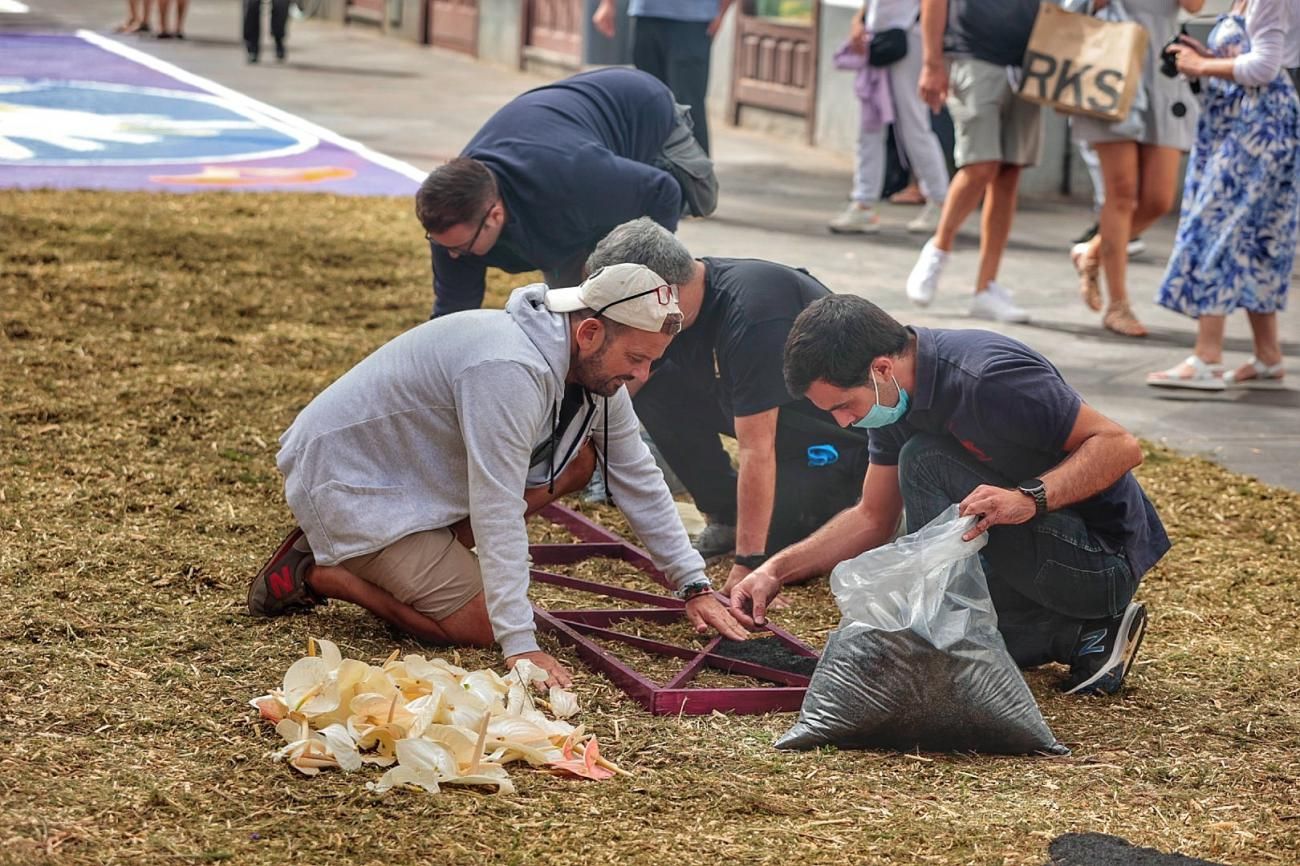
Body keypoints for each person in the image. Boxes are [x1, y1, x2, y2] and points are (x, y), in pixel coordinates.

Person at [246, 264, 748, 687]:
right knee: (484, 623)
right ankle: (319, 572)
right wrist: (519, 643)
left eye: (649, 362)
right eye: (635, 359)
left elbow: (637, 475)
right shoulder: (509, 368)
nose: (640, 376)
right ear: (590, 332)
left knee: (581, 463)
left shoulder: (592, 370)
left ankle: (401, 549)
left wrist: (693, 584)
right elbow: (497, 504)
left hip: (410, 477)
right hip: (353, 485)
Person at [730, 295, 1171, 696]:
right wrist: (774, 570)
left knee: (923, 460)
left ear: (881, 369)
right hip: (1036, 555)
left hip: (1099, 560)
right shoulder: (894, 405)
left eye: (844, 406)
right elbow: (872, 516)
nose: (844, 423)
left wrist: (1028, 498)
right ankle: (1078, 636)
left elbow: (1120, 445)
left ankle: (1076, 615)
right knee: (924, 645)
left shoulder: (989, 376)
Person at [585, 219, 872, 589]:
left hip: (836, 433)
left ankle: (781, 525)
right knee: (655, 388)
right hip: (763, 416)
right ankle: (725, 513)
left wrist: (749, 561)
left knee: (793, 536)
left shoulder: (754, 315)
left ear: (659, 291)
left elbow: (756, 448)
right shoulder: (678, 307)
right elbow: (622, 390)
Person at [416, 68, 718, 318]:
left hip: (640, 109)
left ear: (494, 215)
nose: (453, 255)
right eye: (446, 247)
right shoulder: (451, 224)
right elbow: (453, 311)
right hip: (561, 172)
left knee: (698, 201)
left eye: (462, 247)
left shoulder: (571, 177)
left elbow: (663, 192)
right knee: (576, 314)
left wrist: (647, 283)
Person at [1147, 0, 1297, 390]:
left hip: (1257, 127)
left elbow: (1264, 67)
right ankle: (1267, 356)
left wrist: (1201, 66)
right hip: (1237, 124)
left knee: (1214, 231)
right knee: (1255, 239)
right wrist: (1206, 57)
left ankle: (1208, 358)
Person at [1067, 0, 1204, 339]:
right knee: (1122, 194)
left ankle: (1093, 251)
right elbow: (1075, 7)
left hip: (1163, 73)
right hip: (1109, 68)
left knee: (1158, 199)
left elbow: (1195, 5)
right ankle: (1118, 305)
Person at [904, 0, 1043, 323]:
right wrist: (932, 62)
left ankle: (986, 287)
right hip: (973, 54)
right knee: (980, 165)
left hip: (1030, 60)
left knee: (1009, 172)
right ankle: (939, 249)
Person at [828, 0, 950, 235]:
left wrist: (933, 61)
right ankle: (863, 203)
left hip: (909, 37)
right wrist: (859, 22)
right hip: (878, 38)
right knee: (870, 125)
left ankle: (940, 200)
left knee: (914, 125)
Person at [590, 0, 735, 154]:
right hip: (646, 16)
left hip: (692, 21)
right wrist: (608, 4)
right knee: (647, 104)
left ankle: (697, 176)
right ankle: (649, 172)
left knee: (688, 108)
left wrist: (721, 12)